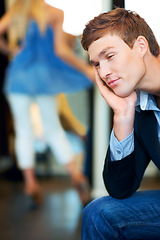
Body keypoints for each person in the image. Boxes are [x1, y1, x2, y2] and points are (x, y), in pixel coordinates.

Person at [0, 0, 94, 205]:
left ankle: (30, 182)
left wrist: (10, 51)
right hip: (44, 78)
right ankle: (76, 176)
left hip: (18, 77)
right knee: (53, 130)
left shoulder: (17, 11)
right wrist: (85, 69)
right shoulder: (54, 12)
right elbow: (61, 51)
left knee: (23, 131)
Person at [81, 7, 160, 239]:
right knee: (100, 213)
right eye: (96, 64)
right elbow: (120, 188)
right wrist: (123, 117)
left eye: (110, 56)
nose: (104, 72)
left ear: (141, 46)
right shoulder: (141, 106)